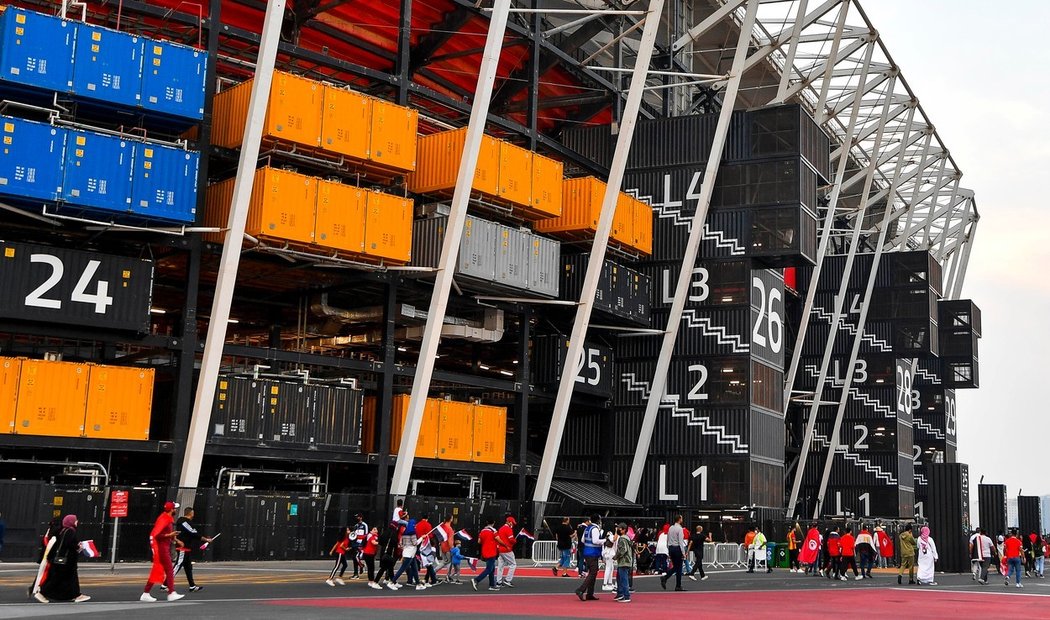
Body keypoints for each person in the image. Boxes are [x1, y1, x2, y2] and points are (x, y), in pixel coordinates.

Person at [36, 514, 90, 603]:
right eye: (75, 520)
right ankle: (42, 593)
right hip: (66, 561)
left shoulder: (63, 531)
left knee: (65, 579)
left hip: (62, 561)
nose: (77, 522)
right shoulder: (70, 531)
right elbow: (68, 544)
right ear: (71, 522)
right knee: (61, 579)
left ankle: (75, 595)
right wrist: (78, 546)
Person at [142, 501, 185, 602]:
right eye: (174, 508)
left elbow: (167, 533)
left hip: (164, 547)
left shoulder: (167, 518)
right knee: (169, 570)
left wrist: (176, 540)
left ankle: (146, 593)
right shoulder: (164, 519)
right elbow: (157, 535)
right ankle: (171, 593)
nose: (175, 510)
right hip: (161, 548)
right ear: (171, 509)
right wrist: (170, 536)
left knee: (158, 570)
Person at [172, 507, 212, 592]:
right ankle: (166, 583)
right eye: (193, 513)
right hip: (183, 547)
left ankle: (192, 586)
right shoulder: (184, 522)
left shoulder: (183, 522)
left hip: (187, 547)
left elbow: (193, 533)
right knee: (178, 565)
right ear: (191, 513)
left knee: (188, 567)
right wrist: (206, 540)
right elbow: (193, 533)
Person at [30, 516, 64, 600]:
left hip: (45, 555)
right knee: (48, 575)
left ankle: (34, 589)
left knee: (42, 574)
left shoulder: (49, 531)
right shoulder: (57, 532)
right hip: (51, 557)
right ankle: (40, 591)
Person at [574, 515, 603, 601]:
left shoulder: (587, 528)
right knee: (593, 573)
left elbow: (583, 540)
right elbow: (595, 541)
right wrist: (605, 540)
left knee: (593, 572)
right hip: (592, 553)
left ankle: (590, 593)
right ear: (598, 521)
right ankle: (581, 590)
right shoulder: (595, 529)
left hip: (587, 552)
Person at [472, 516, 499, 591]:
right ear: (493, 523)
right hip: (491, 551)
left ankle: (492, 585)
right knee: (489, 569)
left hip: (485, 551)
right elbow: (498, 539)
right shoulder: (493, 530)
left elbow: (479, 541)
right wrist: (505, 545)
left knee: (492, 568)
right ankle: (476, 580)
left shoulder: (483, 530)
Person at [660, 515, 686, 590]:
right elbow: (681, 541)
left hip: (671, 548)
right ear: (679, 519)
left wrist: (668, 549)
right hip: (677, 548)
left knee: (676, 566)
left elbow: (668, 539)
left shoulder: (671, 528)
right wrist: (683, 552)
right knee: (679, 567)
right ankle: (676, 584)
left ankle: (669, 579)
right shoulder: (680, 529)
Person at [495, 515, 517, 588]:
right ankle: (508, 580)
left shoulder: (501, 528)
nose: (513, 525)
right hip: (507, 549)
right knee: (513, 564)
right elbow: (511, 539)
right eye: (512, 523)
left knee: (500, 566)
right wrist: (514, 541)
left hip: (500, 549)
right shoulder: (508, 529)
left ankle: (499, 582)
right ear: (509, 522)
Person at [614, 523, 634, 603]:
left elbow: (623, 550)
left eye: (620, 529)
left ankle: (626, 595)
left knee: (623, 578)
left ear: (624, 530)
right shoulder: (627, 538)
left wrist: (616, 556)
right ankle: (621, 593)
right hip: (627, 560)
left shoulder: (622, 539)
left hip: (623, 561)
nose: (618, 530)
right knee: (620, 577)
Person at [350, 513, 369, 580]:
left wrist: (364, 544)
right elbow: (353, 535)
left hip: (361, 545)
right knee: (354, 558)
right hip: (355, 544)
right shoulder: (355, 526)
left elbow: (366, 535)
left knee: (357, 557)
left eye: (358, 517)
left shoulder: (364, 525)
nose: (356, 518)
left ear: (361, 517)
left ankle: (362, 566)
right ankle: (356, 573)